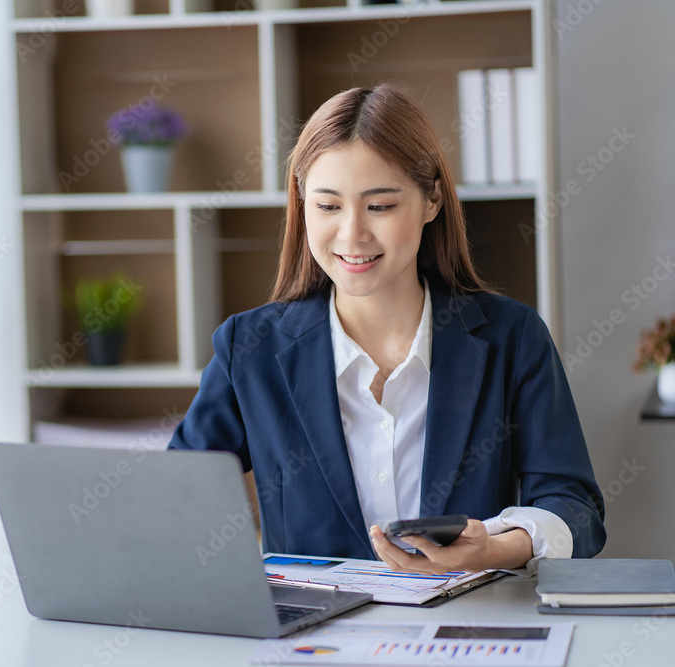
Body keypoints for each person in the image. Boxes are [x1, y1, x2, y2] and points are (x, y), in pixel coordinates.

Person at [167, 84, 605, 575]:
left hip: (465, 630)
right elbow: (176, 503)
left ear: (432, 201)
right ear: (301, 203)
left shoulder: (512, 336)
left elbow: (576, 509)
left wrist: (499, 548)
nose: (352, 233)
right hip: (314, 644)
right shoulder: (248, 350)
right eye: (328, 206)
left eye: (380, 206)